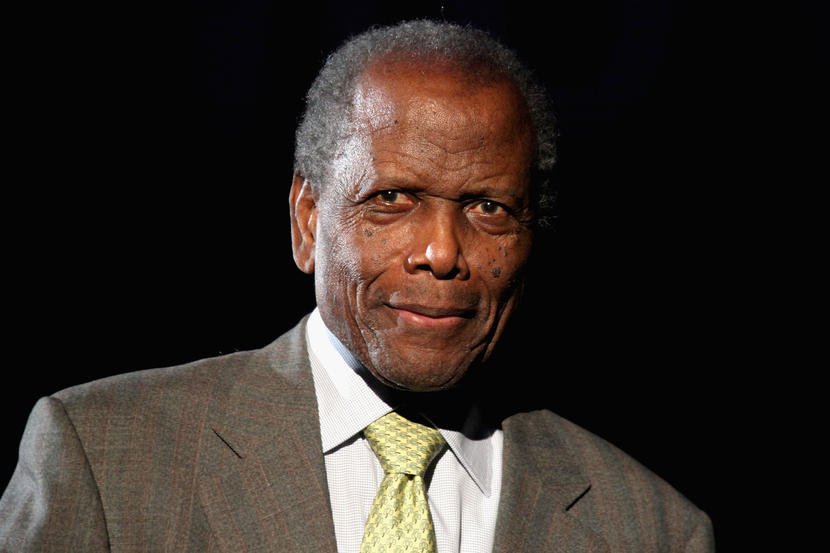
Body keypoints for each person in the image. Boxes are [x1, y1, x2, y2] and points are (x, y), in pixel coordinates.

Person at [0, 19, 714, 552]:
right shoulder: (104, 460)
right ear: (307, 221)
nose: (441, 252)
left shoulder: (650, 530)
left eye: (488, 208)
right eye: (392, 198)